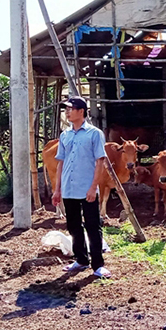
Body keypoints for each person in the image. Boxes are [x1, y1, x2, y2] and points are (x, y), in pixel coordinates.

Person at [51, 97, 111, 278]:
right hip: (69, 188)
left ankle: (98, 265)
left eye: (71, 109)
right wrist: (57, 189)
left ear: (81, 111)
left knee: (93, 225)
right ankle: (81, 259)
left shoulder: (94, 134)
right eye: (66, 109)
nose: (67, 112)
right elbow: (61, 162)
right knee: (74, 226)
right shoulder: (65, 135)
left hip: (87, 188)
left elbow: (100, 161)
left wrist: (93, 187)